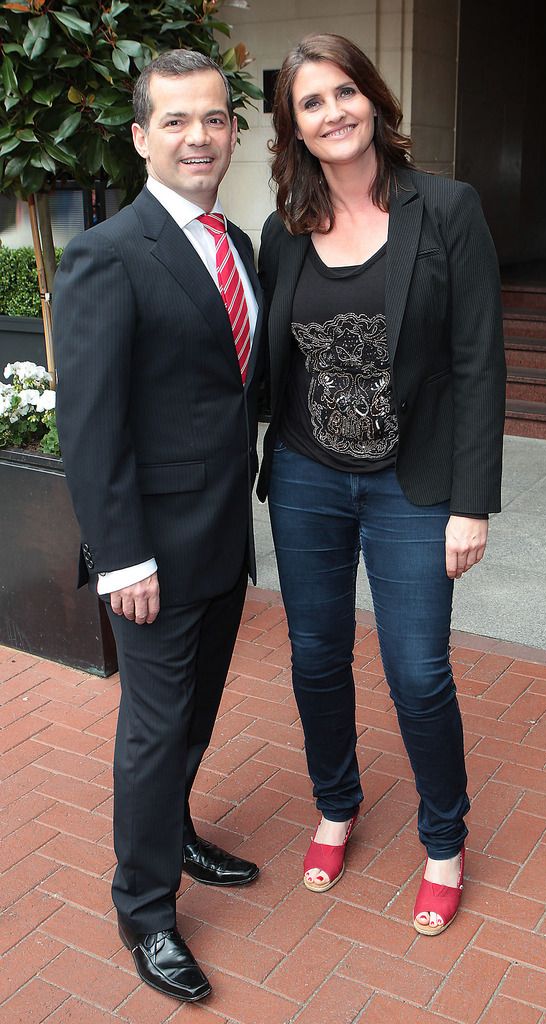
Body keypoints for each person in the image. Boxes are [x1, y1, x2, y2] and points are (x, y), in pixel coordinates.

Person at [257, 34, 506, 936]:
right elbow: (263, 366)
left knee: (416, 671)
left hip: (415, 483)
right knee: (316, 657)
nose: (333, 112)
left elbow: (479, 362)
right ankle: (338, 802)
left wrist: (470, 501)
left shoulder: (447, 209)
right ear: (294, 127)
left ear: (374, 97)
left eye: (344, 92)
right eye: (310, 102)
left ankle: (445, 839)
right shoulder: (282, 232)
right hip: (305, 476)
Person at [54, 50, 264, 1001]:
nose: (199, 137)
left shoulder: (239, 245)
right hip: (153, 553)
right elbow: (90, 425)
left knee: (197, 714)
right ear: (142, 137)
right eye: (176, 121)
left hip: (223, 541)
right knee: (154, 727)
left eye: (214, 119)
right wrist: (120, 556)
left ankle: (174, 833)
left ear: (232, 131)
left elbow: (230, 392)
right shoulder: (107, 252)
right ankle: (143, 907)